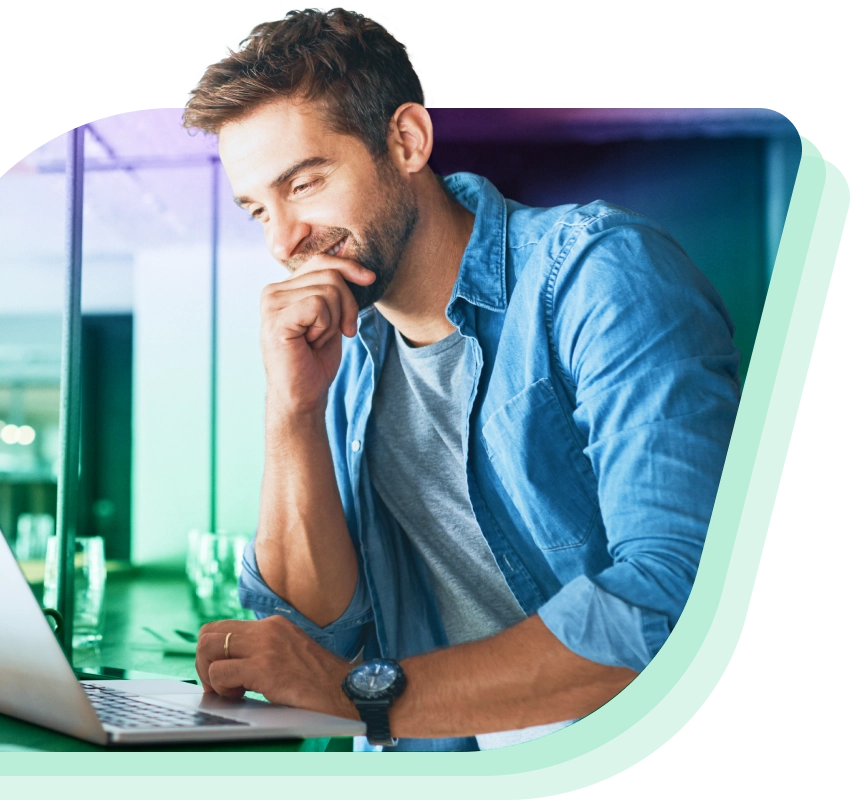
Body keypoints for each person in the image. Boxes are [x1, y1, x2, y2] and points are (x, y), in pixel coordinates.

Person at [182, 7, 740, 751]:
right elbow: (318, 634)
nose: (283, 241)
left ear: (406, 141)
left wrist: (361, 701)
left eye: (306, 184)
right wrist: (293, 407)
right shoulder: (351, 356)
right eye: (258, 210)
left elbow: (674, 605)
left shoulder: (597, 275)